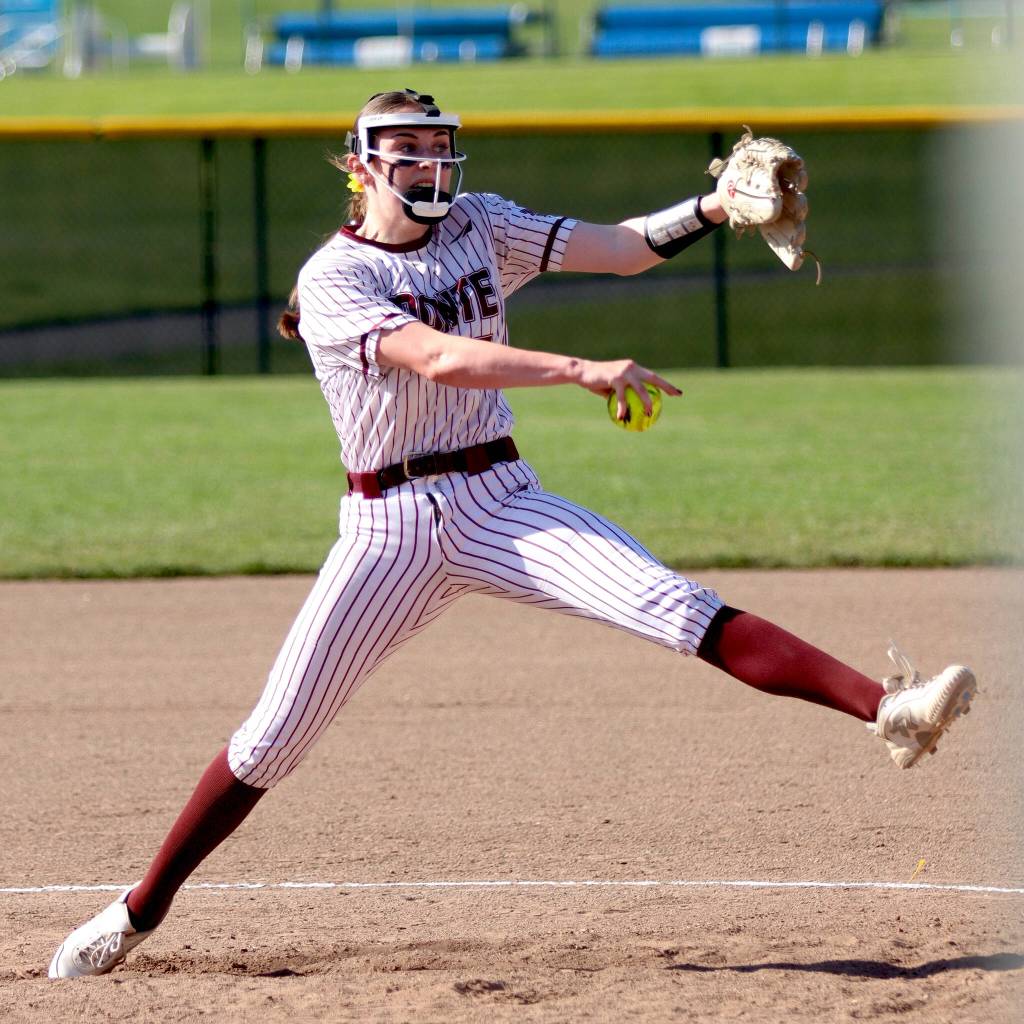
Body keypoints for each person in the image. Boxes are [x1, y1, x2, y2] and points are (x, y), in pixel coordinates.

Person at [48, 89, 977, 980]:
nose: (430, 162)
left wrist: (711, 206)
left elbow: (619, 248)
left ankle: (888, 711)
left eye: (439, 145)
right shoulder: (336, 277)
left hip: (501, 501)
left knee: (673, 603)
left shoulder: (480, 224)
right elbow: (439, 357)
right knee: (273, 739)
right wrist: (578, 368)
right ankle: (136, 912)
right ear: (362, 168)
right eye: (408, 150)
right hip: (389, 532)